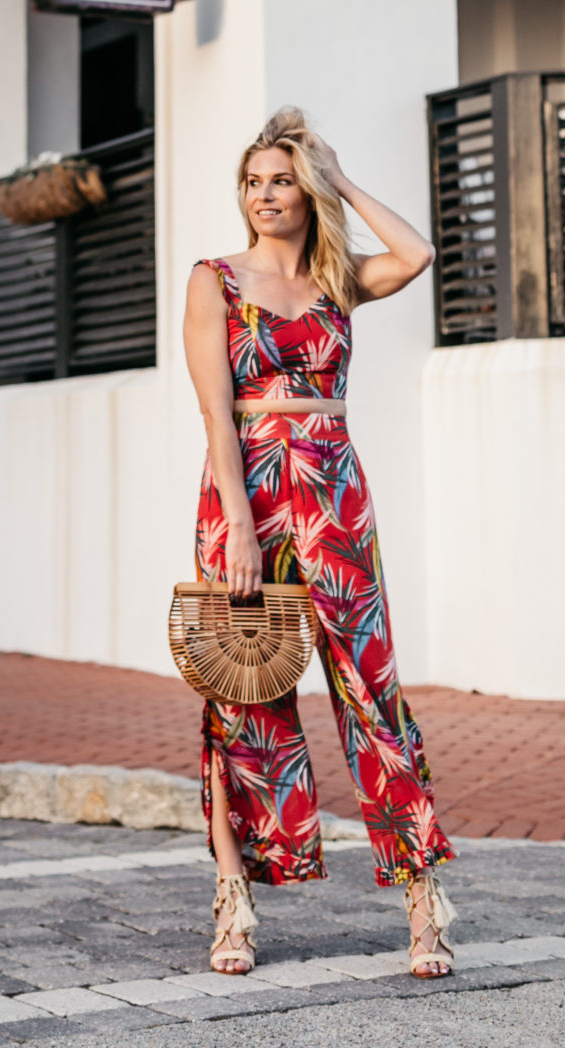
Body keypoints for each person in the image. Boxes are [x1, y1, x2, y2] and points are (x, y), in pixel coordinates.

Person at [182, 108, 456, 981]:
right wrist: (239, 525)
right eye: (253, 182)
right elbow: (216, 414)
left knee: (373, 691)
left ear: (307, 193)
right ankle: (234, 901)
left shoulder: (339, 279)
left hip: (335, 494)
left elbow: (417, 253)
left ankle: (424, 903)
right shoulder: (214, 281)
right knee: (243, 696)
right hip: (249, 494)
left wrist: (339, 178)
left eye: (282, 181)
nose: (265, 195)